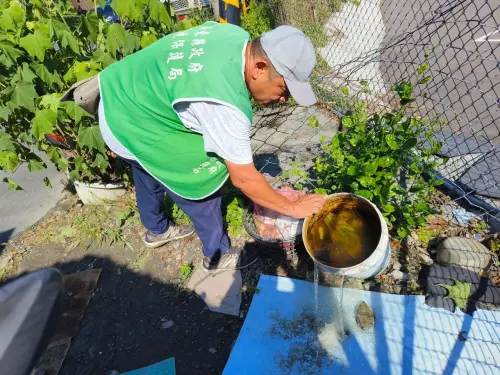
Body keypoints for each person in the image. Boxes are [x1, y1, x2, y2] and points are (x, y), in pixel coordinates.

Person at [97, 21, 326, 273]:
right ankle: (217, 255)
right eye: (283, 89)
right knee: (202, 176)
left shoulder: (234, 35)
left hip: (118, 100)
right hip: (135, 121)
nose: (283, 99)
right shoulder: (224, 104)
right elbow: (244, 179)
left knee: (148, 165)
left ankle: (156, 229)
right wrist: (293, 207)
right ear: (260, 68)